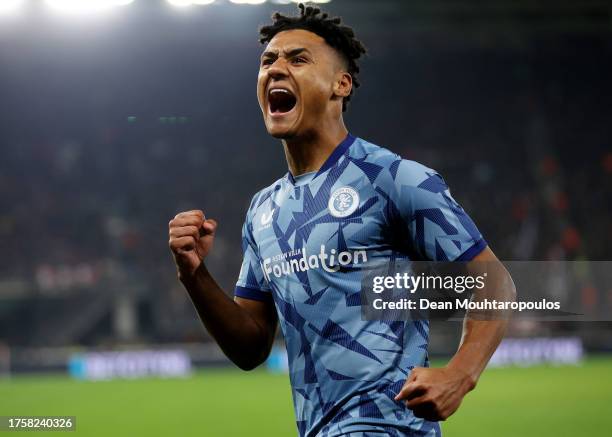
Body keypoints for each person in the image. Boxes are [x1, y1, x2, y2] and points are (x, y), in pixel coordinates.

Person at [168, 4, 516, 436]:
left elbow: (495, 282)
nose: (276, 68)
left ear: (341, 84)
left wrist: (460, 375)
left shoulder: (393, 178)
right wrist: (195, 275)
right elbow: (251, 346)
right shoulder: (262, 211)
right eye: (267, 61)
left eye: (297, 59)